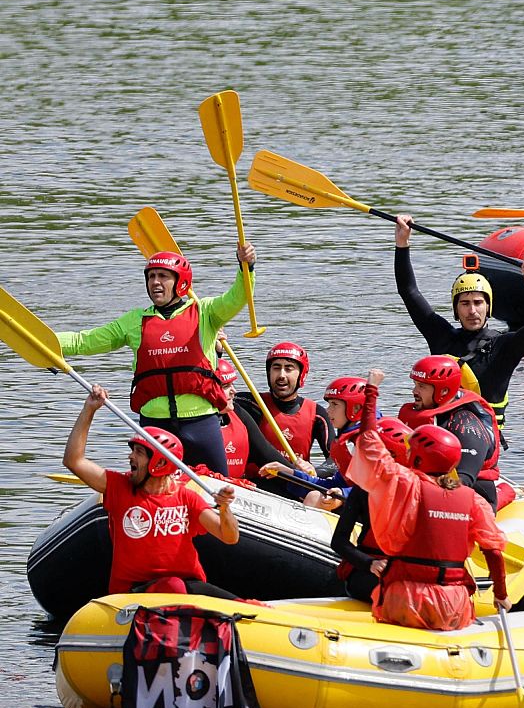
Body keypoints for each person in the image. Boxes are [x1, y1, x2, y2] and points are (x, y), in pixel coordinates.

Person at [57, 245, 255, 475]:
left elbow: (238, 297)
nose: (155, 282)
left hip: (200, 422)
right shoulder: (135, 321)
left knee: (219, 487)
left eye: (163, 276)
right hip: (154, 424)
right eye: (151, 276)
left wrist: (246, 267)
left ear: (180, 281)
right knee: (150, 490)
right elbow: (85, 341)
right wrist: (45, 340)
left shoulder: (205, 312)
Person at [341, 370, 508, 631]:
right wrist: (501, 595)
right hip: (453, 603)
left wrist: (372, 390)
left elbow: (368, 441)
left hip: (404, 598)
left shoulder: (404, 484)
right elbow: (494, 552)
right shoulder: (473, 500)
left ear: (417, 459)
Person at [62, 385, 241, 598]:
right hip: (135, 591)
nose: (130, 457)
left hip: (184, 587)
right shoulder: (119, 487)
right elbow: (73, 461)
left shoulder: (186, 498)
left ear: (160, 462)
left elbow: (230, 537)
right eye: (132, 451)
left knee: (241, 606)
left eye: (138, 452)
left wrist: (224, 508)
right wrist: (88, 410)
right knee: (173, 586)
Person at [394, 216, 524, 425]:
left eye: (478, 303)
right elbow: (409, 292)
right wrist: (402, 244)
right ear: (456, 309)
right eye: (465, 304)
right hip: (445, 440)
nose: (472, 310)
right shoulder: (442, 337)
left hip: (484, 441)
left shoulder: (503, 346)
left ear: (488, 307)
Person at [324, 379, 411, 603]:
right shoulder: (363, 490)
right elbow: (339, 542)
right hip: (370, 569)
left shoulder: (419, 491)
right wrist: (369, 563)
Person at [399, 354, 505, 509]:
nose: (414, 391)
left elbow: (464, 480)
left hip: (474, 496)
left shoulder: (466, 425)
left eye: (422, 386)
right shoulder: (422, 413)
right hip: (425, 485)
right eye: (415, 384)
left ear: (443, 391)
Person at [237, 341, 331, 466]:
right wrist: (217, 352)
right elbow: (215, 391)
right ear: (269, 373)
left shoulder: (317, 413)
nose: (281, 375)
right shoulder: (250, 403)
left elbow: (335, 460)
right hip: (255, 483)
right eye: (276, 368)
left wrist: (314, 472)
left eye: (288, 368)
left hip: (296, 482)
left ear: (301, 375)